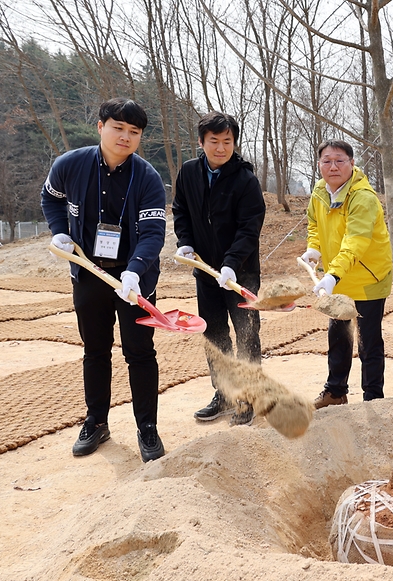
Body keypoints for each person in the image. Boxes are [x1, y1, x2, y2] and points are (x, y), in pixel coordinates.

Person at [41, 98, 167, 462]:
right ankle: (96, 422)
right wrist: (59, 232)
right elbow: (50, 199)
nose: (125, 137)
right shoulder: (70, 165)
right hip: (88, 273)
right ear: (100, 127)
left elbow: (153, 232)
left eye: (134, 132)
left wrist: (136, 269)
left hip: (133, 280)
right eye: (118, 128)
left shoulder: (147, 179)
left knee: (140, 353)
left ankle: (147, 427)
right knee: (95, 351)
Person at [172, 111, 265, 426]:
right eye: (214, 141)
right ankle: (223, 392)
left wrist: (230, 264)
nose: (222, 148)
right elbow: (180, 210)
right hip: (205, 270)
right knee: (214, 334)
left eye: (228, 141)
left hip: (241, 273)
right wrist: (185, 241)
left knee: (246, 334)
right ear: (201, 142)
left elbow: (249, 230)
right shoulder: (188, 173)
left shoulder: (245, 180)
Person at [303, 139, 393, 409]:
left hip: (368, 278)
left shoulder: (362, 197)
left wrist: (331, 277)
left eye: (340, 160)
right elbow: (314, 224)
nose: (333, 166)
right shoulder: (320, 191)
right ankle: (336, 391)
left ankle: (373, 398)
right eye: (327, 161)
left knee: (368, 342)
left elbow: (355, 243)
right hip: (338, 280)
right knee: (339, 337)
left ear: (352, 164)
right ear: (319, 165)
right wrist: (313, 248)